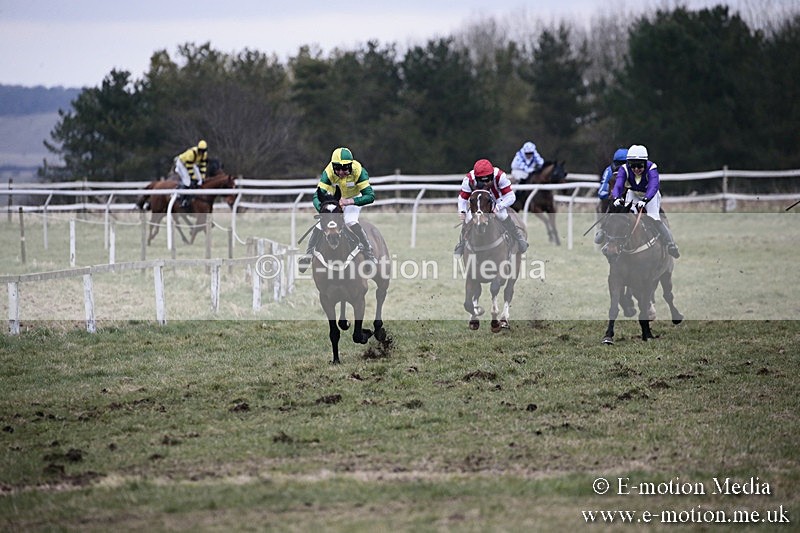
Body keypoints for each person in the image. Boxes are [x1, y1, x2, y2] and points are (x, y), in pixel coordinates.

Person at [298, 147, 376, 273]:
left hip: (353, 198)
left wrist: (349, 201)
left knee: (350, 221)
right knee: (319, 225)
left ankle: (369, 254)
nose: (341, 172)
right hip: (334, 200)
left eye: (345, 168)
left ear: (350, 166)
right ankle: (308, 255)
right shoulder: (328, 173)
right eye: (338, 168)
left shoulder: (359, 171)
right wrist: (324, 211)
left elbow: (370, 196)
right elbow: (316, 197)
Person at [611, 144, 680, 258]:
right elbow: (618, 185)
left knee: (654, 218)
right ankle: (613, 240)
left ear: (645, 163)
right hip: (633, 193)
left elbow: (654, 186)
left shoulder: (652, 168)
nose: (636, 169)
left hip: (650, 194)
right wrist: (616, 197)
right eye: (633, 165)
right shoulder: (623, 169)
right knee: (625, 216)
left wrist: (646, 199)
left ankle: (670, 244)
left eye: (640, 166)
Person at [454, 158, 528, 257]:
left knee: (502, 215)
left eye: (488, 179)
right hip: (479, 203)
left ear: (492, 175)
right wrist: (462, 211)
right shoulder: (469, 179)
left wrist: (499, 206)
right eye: (481, 179)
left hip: (497, 200)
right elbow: (462, 198)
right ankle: (462, 244)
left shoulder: (500, 176)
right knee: (468, 218)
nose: (485, 183)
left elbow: (511, 196)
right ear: (476, 177)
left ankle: (518, 238)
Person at [594, 147, 628, 244]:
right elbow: (601, 192)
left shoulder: (635, 170)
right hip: (614, 202)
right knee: (605, 204)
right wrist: (611, 194)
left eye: (624, 163)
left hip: (631, 200)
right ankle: (603, 229)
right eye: (619, 163)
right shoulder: (609, 171)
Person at [175, 140, 209, 209]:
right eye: (201, 151)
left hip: (191, 163)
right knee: (187, 181)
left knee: (199, 181)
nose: (202, 153)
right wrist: (193, 177)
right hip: (182, 163)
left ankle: (194, 197)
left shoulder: (205, 155)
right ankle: (181, 198)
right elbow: (189, 166)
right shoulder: (192, 153)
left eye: (203, 151)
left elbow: (203, 165)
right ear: (198, 149)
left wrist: (202, 177)